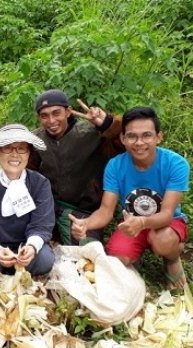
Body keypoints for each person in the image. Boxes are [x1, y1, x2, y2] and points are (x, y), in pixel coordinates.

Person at [69, 107, 190, 289]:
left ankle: (172, 260)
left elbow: (167, 213)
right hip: (130, 224)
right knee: (118, 259)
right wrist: (86, 224)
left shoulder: (175, 164)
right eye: (132, 136)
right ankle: (135, 259)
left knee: (163, 241)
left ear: (159, 137)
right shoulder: (115, 165)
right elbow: (105, 210)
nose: (139, 142)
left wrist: (142, 223)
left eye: (147, 136)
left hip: (166, 224)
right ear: (123, 138)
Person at [31, 89, 125, 245]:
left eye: (56, 113)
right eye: (44, 116)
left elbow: (129, 142)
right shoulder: (36, 140)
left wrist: (108, 124)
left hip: (84, 210)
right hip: (49, 205)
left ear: (68, 112)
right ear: (39, 118)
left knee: (86, 251)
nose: (51, 120)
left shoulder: (91, 133)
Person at [0, 124, 55, 284]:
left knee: (45, 260)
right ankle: (1, 268)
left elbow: (42, 225)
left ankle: (23, 265)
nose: (15, 154)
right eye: (7, 148)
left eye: (21, 149)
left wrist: (31, 248)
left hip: (26, 251)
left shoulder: (40, 184)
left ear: (29, 154)